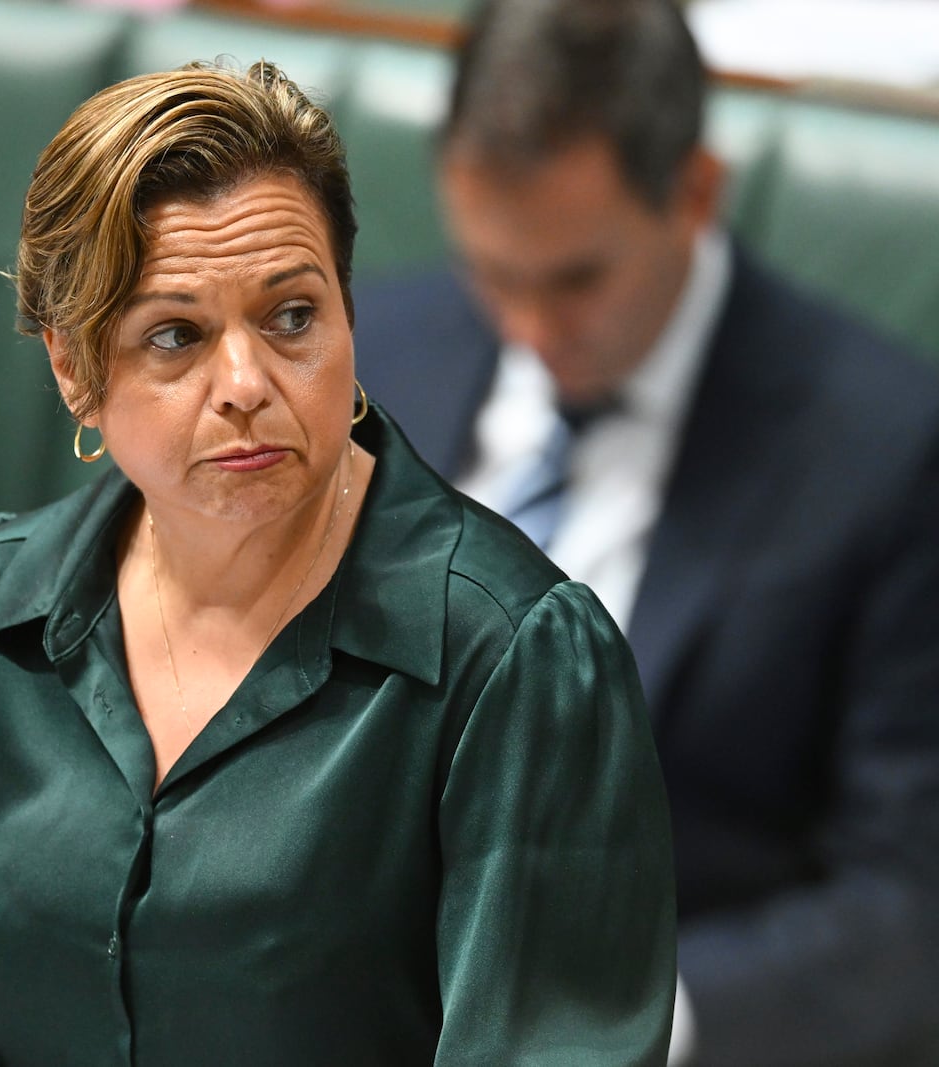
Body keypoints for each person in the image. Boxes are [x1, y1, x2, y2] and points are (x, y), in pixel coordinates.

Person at [0, 59, 675, 1066]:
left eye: (291, 316)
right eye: (175, 335)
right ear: (71, 367)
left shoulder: (513, 660)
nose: (245, 383)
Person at [349, 1, 939, 1064]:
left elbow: (906, 904)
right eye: (491, 271)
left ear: (695, 194)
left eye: (576, 280)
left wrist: (622, 1019)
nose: (529, 330)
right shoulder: (369, 351)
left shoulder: (889, 454)